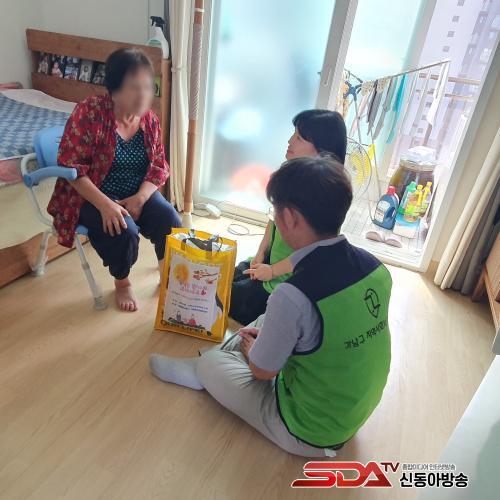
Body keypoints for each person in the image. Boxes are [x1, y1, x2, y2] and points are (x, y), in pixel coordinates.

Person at [150, 156, 392, 457]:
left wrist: (255, 354)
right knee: (268, 318)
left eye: (274, 211)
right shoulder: (376, 268)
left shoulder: (293, 295)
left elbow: (261, 372)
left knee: (216, 364)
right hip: (351, 410)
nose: (274, 218)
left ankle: (203, 366)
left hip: (309, 430)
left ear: (290, 218)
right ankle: (222, 356)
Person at [48, 48, 180, 312]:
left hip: (136, 191)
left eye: (147, 87)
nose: (143, 95)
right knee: (123, 231)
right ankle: (122, 282)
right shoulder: (89, 113)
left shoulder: (149, 120)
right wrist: (106, 205)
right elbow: (72, 168)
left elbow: (158, 166)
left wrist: (141, 198)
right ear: (114, 88)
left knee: (170, 220)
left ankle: (168, 273)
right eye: (134, 87)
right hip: (92, 195)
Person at [229, 109, 347, 325]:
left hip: (285, 281)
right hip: (269, 264)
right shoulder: (290, 173)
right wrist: (261, 252)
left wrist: (272, 271)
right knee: (226, 276)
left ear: (322, 149)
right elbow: (272, 219)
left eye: (299, 137)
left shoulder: (324, 194)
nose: (290, 141)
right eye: (294, 133)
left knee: (226, 297)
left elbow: (313, 255)